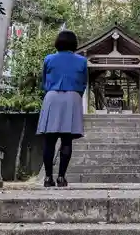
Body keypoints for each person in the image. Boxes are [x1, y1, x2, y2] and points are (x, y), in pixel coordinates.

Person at [37, 30, 87, 187]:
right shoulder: (82, 61)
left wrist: (52, 90)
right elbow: (83, 82)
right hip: (72, 98)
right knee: (67, 139)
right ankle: (61, 177)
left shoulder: (49, 59)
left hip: (52, 97)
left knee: (49, 140)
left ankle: (47, 177)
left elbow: (44, 81)